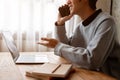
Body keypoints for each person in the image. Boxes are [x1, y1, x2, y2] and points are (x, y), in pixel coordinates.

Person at [38, 0, 120, 79]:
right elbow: (67, 53)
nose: (67, 2)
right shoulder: (80, 26)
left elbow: (92, 60)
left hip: (105, 77)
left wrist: (58, 46)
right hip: (86, 75)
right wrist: (60, 23)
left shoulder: (106, 22)